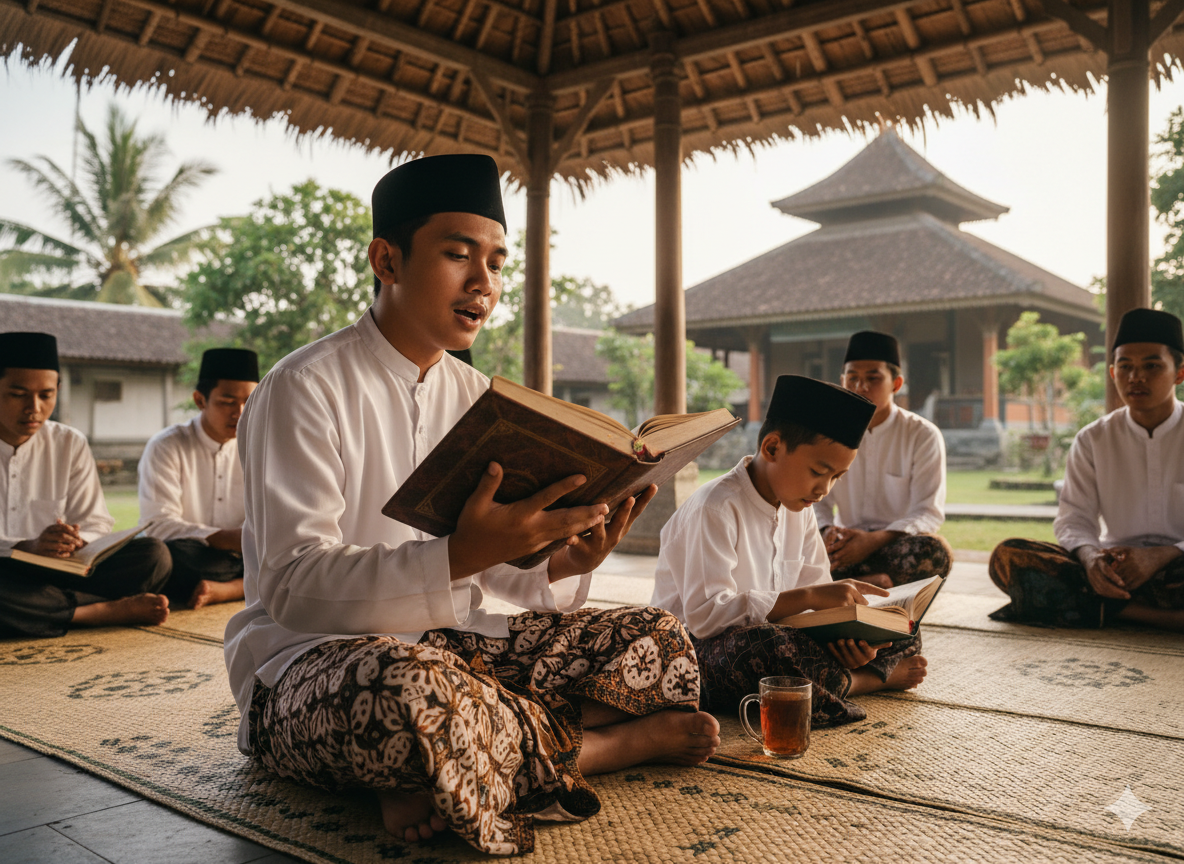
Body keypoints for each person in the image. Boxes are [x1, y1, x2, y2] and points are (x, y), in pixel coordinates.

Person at [224, 154, 719, 856]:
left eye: (495, 262)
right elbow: (293, 589)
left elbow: (500, 578)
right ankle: (597, 750)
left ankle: (451, 764)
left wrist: (556, 559)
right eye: (458, 255)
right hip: (314, 664)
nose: (482, 283)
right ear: (386, 259)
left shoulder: (474, 396)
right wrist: (461, 554)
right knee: (410, 690)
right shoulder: (304, 387)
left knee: (657, 638)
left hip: (458, 652)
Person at [650, 375, 929, 728]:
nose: (825, 490)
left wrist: (851, 637)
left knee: (903, 626)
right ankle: (865, 682)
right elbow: (706, 618)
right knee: (770, 647)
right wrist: (811, 595)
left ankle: (833, 679)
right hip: (695, 656)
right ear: (772, 448)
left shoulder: (799, 508)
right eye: (819, 472)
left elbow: (817, 604)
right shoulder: (716, 507)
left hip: (786, 638)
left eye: (837, 478)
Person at [989, 308, 1184, 631]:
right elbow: (1074, 519)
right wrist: (1092, 559)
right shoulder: (1093, 438)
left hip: (1178, 567)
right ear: (1112, 373)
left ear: (1179, 373)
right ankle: (1156, 618)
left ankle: (1105, 611)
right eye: (1126, 367)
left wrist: (1161, 555)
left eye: (1151, 366)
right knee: (1009, 556)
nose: (1136, 377)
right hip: (1114, 572)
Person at [0, 332, 171, 638]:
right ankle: (95, 612)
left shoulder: (68, 442)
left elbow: (95, 521)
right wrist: (25, 546)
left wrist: (73, 540)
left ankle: (47, 609)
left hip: (62, 570)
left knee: (155, 555)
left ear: (58, 391)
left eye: (46, 395)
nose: (34, 408)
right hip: (5, 571)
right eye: (18, 394)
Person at [814, 331, 951, 590]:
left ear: (896, 384)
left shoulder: (922, 435)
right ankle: (870, 586)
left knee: (934, 551)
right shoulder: (827, 434)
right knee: (794, 546)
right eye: (852, 378)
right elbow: (813, 500)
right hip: (842, 547)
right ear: (842, 380)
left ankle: (839, 587)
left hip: (893, 546)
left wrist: (874, 540)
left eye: (872, 378)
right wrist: (827, 531)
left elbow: (927, 511)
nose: (860, 388)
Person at [139, 348, 258, 609]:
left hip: (242, 556)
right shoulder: (166, 446)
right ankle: (243, 586)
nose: (240, 412)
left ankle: (227, 590)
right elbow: (158, 525)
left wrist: (249, 541)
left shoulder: (262, 448)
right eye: (227, 401)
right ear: (200, 400)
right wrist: (223, 537)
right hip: (187, 556)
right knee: (156, 555)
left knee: (293, 551)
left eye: (249, 401)